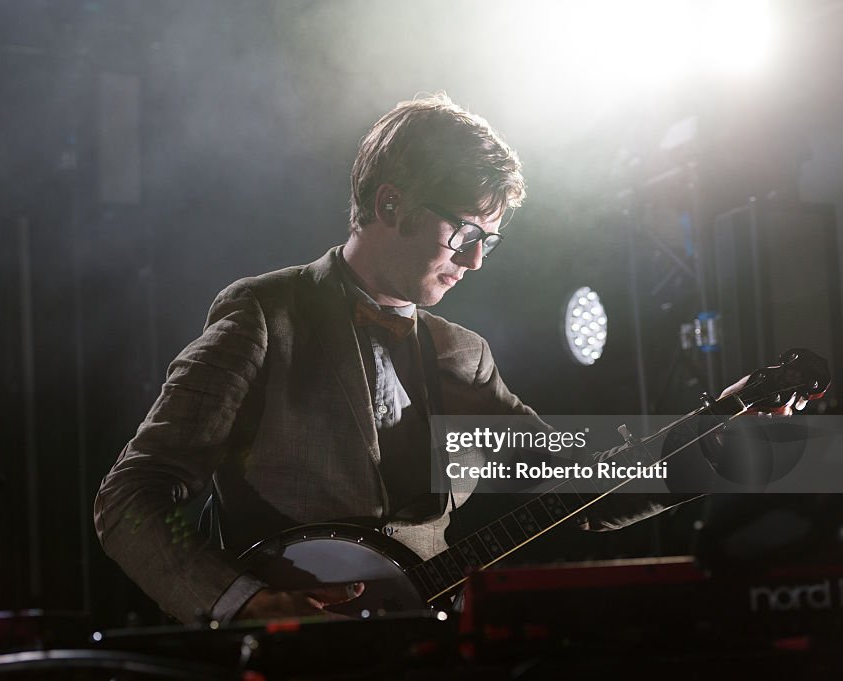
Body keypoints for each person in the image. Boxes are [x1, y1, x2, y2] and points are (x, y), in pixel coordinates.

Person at [94, 95, 710, 624]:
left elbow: (585, 493)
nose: (474, 262)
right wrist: (240, 602)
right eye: (465, 235)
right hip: (287, 659)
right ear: (391, 205)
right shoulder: (265, 316)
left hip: (426, 654)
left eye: (488, 242)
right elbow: (134, 497)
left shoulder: (464, 357)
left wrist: (711, 445)